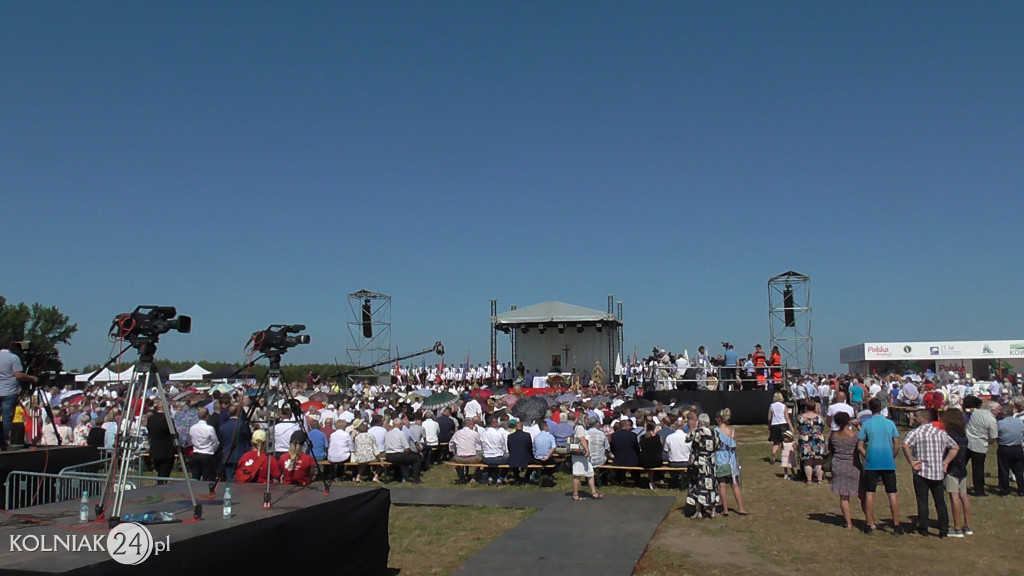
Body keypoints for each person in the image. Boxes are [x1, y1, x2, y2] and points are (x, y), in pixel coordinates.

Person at [902, 408, 958, 537]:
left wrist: (911, 461)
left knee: (923, 501)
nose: (914, 418)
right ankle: (943, 529)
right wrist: (946, 462)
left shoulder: (916, 432)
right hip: (937, 471)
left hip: (921, 471)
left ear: (922, 418)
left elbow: (905, 445)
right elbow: (955, 447)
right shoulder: (940, 433)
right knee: (940, 502)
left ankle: (924, 528)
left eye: (916, 416)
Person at [857, 398, 903, 535]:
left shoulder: (867, 425)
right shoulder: (890, 424)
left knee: (870, 493)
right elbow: (897, 444)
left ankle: (869, 523)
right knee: (892, 494)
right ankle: (896, 525)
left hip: (872, 463)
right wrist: (891, 456)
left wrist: (867, 455)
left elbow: (860, 446)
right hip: (887, 462)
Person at [0, 335, 39, 450]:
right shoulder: (13, 358)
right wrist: (32, 378)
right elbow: (18, 375)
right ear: (10, 344)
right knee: (6, 418)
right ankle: (3, 442)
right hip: (9, 391)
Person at [940, 408, 973, 537]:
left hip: (951, 469)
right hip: (962, 468)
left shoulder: (948, 435)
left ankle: (957, 527)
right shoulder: (963, 435)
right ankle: (968, 525)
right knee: (963, 496)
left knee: (954, 497)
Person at [828, 412, 862, 529]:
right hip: (853, 466)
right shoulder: (855, 436)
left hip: (838, 465)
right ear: (848, 421)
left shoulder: (833, 436)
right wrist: (859, 427)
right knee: (862, 495)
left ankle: (848, 523)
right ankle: (869, 520)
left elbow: (830, 448)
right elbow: (863, 442)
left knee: (843, 497)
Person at [686, 413, 721, 518]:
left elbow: (687, 439)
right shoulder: (714, 433)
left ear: (699, 422)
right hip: (710, 464)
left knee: (698, 486)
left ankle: (699, 511)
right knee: (712, 487)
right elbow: (718, 446)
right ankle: (713, 511)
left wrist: (693, 429)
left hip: (699, 464)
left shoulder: (697, 432)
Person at [714, 409, 748, 515]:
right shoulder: (732, 431)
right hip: (731, 460)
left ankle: (725, 509)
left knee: (722, 485)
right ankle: (741, 508)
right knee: (735, 485)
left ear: (719, 419)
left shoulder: (715, 431)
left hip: (720, 460)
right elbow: (736, 446)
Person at [964, 398, 998, 497]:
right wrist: (988, 442)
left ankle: (954, 483)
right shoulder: (992, 420)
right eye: (998, 409)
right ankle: (979, 490)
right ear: (992, 410)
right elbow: (993, 437)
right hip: (979, 446)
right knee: (978, 469)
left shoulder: (976, 413)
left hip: (968, 441)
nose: (999, 411)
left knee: (961, 464)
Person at [570, 413, 602, 500]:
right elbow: (581, 438)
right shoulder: (580, 427)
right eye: (586, 419)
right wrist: (587, 449)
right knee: (578, 474)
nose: (588, 421)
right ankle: (575, 494)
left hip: (584, 456)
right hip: (580, 455)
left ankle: (594, 492)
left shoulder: (580, 428)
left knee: (590, 473)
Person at [995, 404, 1024, 496]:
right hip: (1017, 447)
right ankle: (1021, 489)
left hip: (1005, 448)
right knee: (1019, 470)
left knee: (1004, 469)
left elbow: (996, 435)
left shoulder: (1000, 423)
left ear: (1004, 413)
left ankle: (1004, 490)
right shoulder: (1020, 422)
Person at [796, 399, 827, 484]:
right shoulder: (820, 417)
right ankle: (819, 480)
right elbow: (822, 428)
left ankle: (809, 480)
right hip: (818, 439)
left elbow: (798, 428)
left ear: (806, 407)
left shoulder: (801, 417)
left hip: (805, 439)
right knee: (818, 460)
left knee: (807, 460)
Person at [385, 415, 422, 483]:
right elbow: (407, 448)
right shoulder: (401, 433)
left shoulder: (388, 433)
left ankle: (400, 476)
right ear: (400, 424)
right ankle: (416, 478)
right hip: (398, 455)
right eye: (402, 424)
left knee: (404, 459)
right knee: (417, 458)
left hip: (388, 455)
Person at [189, 408, 220, 482]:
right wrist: (213, 449)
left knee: (195, 477)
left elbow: (192, 439)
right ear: (207, 416)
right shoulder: (209, 428)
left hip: (196, 453)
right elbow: (215, 442)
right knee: (208, 478)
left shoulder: (192, 428)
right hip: (207, 454)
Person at [609, 418, 642, 486]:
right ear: (626, 426)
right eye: (629, 426)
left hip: (618, 459)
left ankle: (619, 480)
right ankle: (636, 479)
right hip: (631, 460)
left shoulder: (614, 435)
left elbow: (612, 448)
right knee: (637, 461)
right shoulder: (633, 435)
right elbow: (636, 448)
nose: (630, 427)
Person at [147, 405, 176, 483]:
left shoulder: (150, 419)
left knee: (159, 471)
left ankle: (159, 484)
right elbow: (173, 433)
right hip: (167, 450)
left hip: (155, 449)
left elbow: (149, 432)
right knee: (164, 474)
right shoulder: (168, 420)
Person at [450, 417, 483, 484]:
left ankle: (461, 477)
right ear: (469, 425)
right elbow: (480, 442)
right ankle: (475, 478)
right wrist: (477, 433)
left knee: (454, 459)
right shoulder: (474, 433)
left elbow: (451, 443)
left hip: (460, 458)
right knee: (483, 460)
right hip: (472, 458)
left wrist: (453, 450)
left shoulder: (457, 433)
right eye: (472, 425)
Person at [480, 415, 509, 485]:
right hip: (497, 458)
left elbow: (482, 446)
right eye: (496, 422)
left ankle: (490, 477)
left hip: (486, 458)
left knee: (492, 463)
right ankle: (500, 479)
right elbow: (503, 447)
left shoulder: (483, 434)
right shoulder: (498, 434)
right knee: (509, 461)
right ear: (493, 423)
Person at [767, 392, 792, 464]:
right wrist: (791, 426)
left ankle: (773, 453)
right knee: (784, 442)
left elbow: (769, 418)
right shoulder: (784, 406)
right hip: (783, 424)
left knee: (776, 442)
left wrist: (769, 425)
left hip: (774, 424)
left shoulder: (771, 406)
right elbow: (787, 417)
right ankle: (784, 457)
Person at [507, 419, 533, 485]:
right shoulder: (527, 435)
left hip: (513, 457)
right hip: (525, 458)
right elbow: (530, 447)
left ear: (515, 427)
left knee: (514, 463)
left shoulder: (510, 436)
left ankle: (517, 478)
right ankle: (526, 478)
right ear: (522, 427)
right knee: (534, 464)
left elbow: (509, 448)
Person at [639, 422, 664, 491]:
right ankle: (654, 480)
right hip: (657, 461)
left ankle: (651, 480)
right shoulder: (658, 437)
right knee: (653, 459)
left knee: (649, 459)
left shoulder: (642, 437)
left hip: (644, 461)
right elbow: (661, 448)